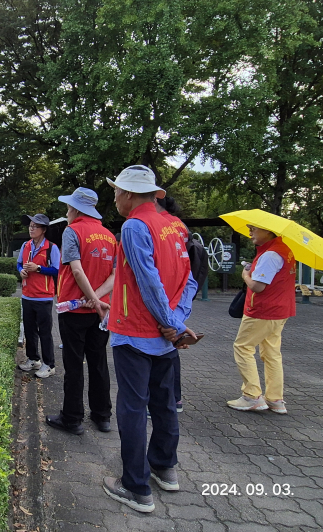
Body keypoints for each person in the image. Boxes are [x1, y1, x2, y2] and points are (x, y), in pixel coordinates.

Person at [102, 165, 198, 513]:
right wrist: (177, 321)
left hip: (136, 332)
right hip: (165, 336)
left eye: (115, 192)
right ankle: (164, 468)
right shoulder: (176, 225)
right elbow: (191, 278)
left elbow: (148, 281)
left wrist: (169, 322)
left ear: (128, 194)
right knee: (164, 403)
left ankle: (136, 486)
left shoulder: (133, 226)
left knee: (132, 407)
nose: (114, 197)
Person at [44, 188, 116, 434]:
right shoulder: (109, 236)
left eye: (68, 207)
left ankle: (72, 418)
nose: (67, 212)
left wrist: (91, 299)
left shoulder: (72, 231)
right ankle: (102, 415)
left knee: (74, 365)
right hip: (101, 312)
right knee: (98, 363)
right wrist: (97, 300)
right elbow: (115, 275)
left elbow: (76, 270)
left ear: (75, 209)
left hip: (74, 310)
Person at [227, 225, 296, 414]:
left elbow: (258, 287)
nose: (250, 232)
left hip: (263, 310)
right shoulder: (284, 250)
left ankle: (251, 396)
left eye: (254, 229)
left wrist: (246, 275)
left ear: (268, 230)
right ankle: (275, 399)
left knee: (243, 347)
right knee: (271, 352)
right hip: (281, 310)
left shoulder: (270, 254)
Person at [155, 196, 199, 413]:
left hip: (167, 301)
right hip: (176, 301)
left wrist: (170, 318)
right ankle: (174, 399)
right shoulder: (178, 224)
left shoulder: (161, 225)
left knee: (165, 351)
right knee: (170, 349)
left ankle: (169, 400)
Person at [17, 214, 61, 378]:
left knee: (45, 332)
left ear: (43, 230)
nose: (31, 228)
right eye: (30, 225)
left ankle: (49, 364)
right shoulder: (26, 245)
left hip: (44, 297)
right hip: (27, 295)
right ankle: (33, 359)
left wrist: (38, 268)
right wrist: (20, 270)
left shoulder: (51, 248)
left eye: (35, 226)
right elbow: (19, 262)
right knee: (29, 331)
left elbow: (57, 270)